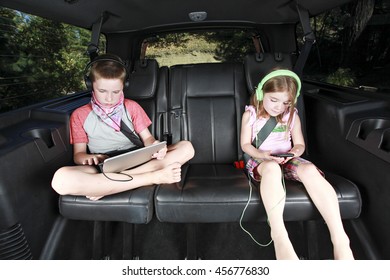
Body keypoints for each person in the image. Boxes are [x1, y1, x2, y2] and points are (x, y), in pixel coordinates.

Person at [240, 69, 354, 260]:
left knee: (309, 170)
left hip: (287, 158)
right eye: (273, 100)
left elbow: (300, 144)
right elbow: (245, 145)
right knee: (271, 168)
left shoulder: (292, 115)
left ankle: (340, 239)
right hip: (262, 159)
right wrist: (260, 153)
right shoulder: (250, 115)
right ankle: (279, 236)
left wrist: (293, 153)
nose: (278, 107)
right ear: (261, 94)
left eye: (285, 102)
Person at [52, 54, 194, 200]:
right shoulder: (80, 114)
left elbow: (148, 139)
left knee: (186, 147)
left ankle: (107, 185)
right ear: (90, 85)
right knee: (61, 180)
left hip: (137, 159)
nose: (109, 98)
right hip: (103, 165)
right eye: (102, 91)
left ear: (124, 87)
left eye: (116, 92)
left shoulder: (132, 107)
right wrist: (89, 158)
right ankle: (152, 177)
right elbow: (78, 156)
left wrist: (156, 146)